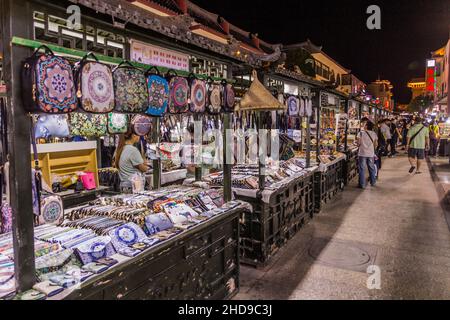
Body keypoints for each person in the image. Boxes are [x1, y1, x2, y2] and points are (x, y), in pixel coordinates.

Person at [357, 121, 378, 189]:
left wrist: (360, 145)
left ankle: (362, 184)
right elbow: (376, 144)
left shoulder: (360, 133)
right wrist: (372, 149)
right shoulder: (374, 134)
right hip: (370, 153)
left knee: (362, 169)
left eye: (365, 124)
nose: (364, 125)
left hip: (362, 153)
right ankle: (373, 182)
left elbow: (358, 143)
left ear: (366, 126)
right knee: (371, 168)